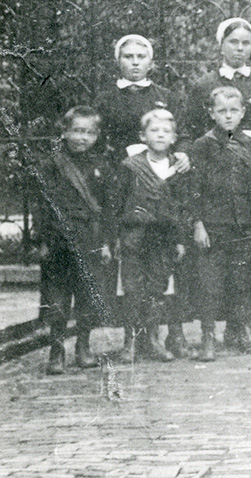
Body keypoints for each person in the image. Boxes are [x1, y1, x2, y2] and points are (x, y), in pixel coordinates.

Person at [188, 87, 251, 359]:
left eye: (234, 110)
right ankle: (208, 336)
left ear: (243, 112)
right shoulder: (203, 145)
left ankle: (244, 331)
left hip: (242, 223)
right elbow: (194, 188)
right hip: (213, 225)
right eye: (221, 111)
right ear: (211, 113)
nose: (228, 116)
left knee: (241, 282)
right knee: (210, 283)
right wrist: (198, 223)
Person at [32, 107, 112, 374]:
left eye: (89, 132)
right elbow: (40, 204)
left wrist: (107, 242)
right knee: (57, 299)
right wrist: (41, 239)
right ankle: (56, 351)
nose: (82, 137)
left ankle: (83, 346)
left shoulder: (101, 165)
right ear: (65, 132)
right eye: (77, 131)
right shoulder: (51, 165)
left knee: (88, 296)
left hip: (90, 239)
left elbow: (107, 208)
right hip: (58, 241)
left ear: (97, 136)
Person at [114, 108, 187, 362]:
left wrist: (178, 239)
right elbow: (118, 203)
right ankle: (130, 342)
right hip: (135, 237)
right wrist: (117, 237)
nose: (160, 135)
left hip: (163, 239)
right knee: (133, 289)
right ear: (142, 136)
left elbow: (180, 205)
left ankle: (152, 339)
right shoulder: (131, 166)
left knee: (157, 288)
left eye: (166, 131)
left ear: (174, 138)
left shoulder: (178, 168)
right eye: (154, 130)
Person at [183, 18, 251, 138]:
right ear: (221, 45)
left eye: (246, 43)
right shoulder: (204, 85)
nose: (240, 48)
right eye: (233, 42)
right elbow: (193, 129)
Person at [94, 34, 180, 159]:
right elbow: (97, 139)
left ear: (150, 63)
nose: (135, 62)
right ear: (118, 62)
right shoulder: (105, 99)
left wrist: (182, 153)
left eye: (141, 57)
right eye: (128, 57)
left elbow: (182, 135)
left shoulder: (167, 97)